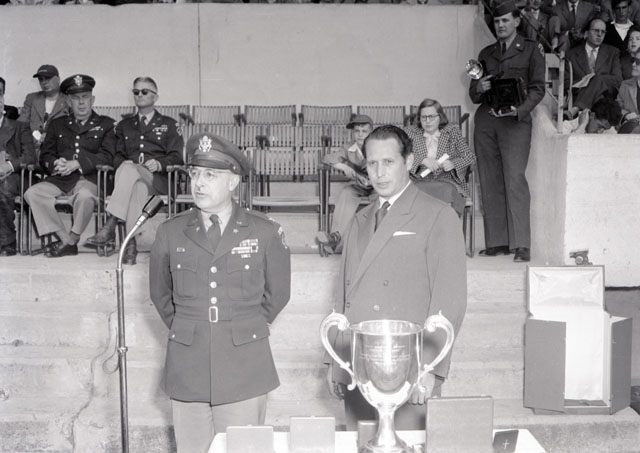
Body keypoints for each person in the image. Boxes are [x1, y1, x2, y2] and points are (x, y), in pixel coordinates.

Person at [149, 133, 291, 453]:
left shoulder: (265, 231)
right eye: (195, 174)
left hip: (244, 364)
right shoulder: (170, 232)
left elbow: (278, 294)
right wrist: (191, 325)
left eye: (210, 175)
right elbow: (160, 295)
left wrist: (244, 325)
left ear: (233, 181)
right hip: (188, 364)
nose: (199, 183)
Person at [324, 125, 467, 431]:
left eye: (388, 162)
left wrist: (431, 368)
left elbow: (449, 300)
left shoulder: (438, 215)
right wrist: (336, 362)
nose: (379, 173)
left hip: (408, 369)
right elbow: (344, 296)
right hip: (359, 365)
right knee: (362, 444)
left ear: (409, 161)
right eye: (372, 163)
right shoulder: (360, 220)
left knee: (407, 445)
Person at [469, 0, 545, 262]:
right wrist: (479, 88)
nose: (500, 25)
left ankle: (521, 243)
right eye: (497, 21)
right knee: (489, 180)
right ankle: (497, 242)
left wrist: (520, 110)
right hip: (487, 122)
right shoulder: (486, 53)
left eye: (505, 20)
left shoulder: (531, 50)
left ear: (517, 21)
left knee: (515, 180)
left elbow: (538, 88)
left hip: (515, 123)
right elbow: (473, 93)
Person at [85, 77, 183, 264]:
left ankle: (111, 224)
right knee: (135, 185)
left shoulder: (169, 124)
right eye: (136, 92)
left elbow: (177, 156)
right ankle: (130, 245)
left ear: (155, 97)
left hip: (159, 180)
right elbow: (117, 156)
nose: (139, 95)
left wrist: (160, 163)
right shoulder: (124, 126)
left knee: (129, 171)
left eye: (145, 92)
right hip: (132, 179)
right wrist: (126, 164)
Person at [23, 74, 116, 258]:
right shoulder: (57, 124)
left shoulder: (106, 124)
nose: (81, 103)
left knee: (85, 196)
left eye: (85, 97)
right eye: (75, 98)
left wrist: (78, 163)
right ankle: (66, 239)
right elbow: (46, 155)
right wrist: (54, 163)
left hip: (90, 178)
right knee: (32, 193)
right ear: (68, 101)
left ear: (92, 99)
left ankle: (71, 239)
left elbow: (108, 156)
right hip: (61, 178)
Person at [405, 98, 475, 216]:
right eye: (424, 117)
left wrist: (453, 164)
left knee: (447, 192)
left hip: (446, 180)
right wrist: (422, 160)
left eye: (431, 117)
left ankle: (446, 224)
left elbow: (469, 156)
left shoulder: (452, 132)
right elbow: (400, 155)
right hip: (418, 180)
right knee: (416, 193)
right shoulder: (410, 133)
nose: (427, 121)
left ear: (440, 116)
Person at [315, 114, 373, 254]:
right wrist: (344, 167)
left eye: (364, 131)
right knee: (346, 193)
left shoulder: (379, 145)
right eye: (357, 131)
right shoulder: (349, 147)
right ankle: (335, 237)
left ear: (371, 132)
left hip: (377, 185)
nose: (360, 134)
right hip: (358, 185)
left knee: (381, 200)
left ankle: (375, 241)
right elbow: (327, 158)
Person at [0, 77, 36, 256]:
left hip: (15, 176)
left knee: (3, 187)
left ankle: (7, 242)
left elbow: (30, 156)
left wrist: (9, 165)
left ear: (2, 98)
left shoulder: (20, 126)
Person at [565, 18, 623, 119]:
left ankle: (575, 109)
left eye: (603, 32)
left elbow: (618, 80)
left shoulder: (613, 52)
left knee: (597, 79)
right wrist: (584, 82)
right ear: (587, 33)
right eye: (596, 31)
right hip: (581, 95)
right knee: (595, 80)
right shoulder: (571, 54)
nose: (600, 34)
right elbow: (565, 82)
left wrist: (595, 79)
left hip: (605, 98)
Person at [18, 65, 68, 152]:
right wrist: (34, 140)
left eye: (48, 78)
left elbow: (73, 130)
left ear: (58, 79)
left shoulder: (69, 100)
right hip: (33, 149)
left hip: (58, 150)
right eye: (41, 79)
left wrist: (50, 137)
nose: (44, 82)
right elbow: (21, 126)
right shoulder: (31, 98)